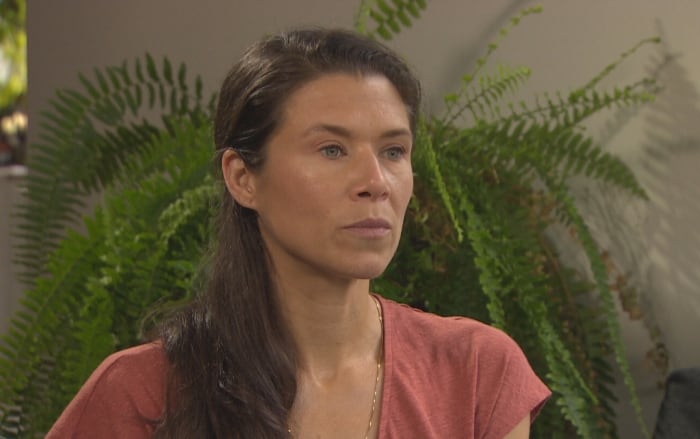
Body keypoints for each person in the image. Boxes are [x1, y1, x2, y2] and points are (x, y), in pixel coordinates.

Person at [46, 28, 551, 439]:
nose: (375, 183)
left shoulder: (475, 372)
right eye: (332, 149)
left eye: (394, 151)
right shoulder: (144, 393)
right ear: (243, 178)